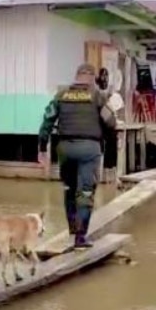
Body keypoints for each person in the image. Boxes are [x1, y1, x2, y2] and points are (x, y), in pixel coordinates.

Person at [37, 64, 116, 250]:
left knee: (69, 189)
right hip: (89, 149)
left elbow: (47, 120)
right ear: (92, 79)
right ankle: (81, 237)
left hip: (65, 149)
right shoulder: (97, 96)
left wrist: (42, 148)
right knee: (85, 192)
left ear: (77, 76)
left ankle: (72, 229)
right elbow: (110, 122)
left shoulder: (62, 94)